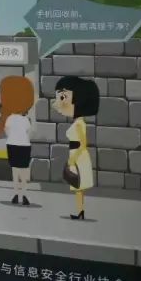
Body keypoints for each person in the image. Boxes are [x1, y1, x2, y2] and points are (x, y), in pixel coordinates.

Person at [51, 75, 100, 220]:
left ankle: (80, 212)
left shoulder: (79, 124)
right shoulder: (78, 122)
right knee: (78, 188)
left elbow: (82, 143)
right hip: (77, 155)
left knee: (78, 187)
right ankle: (80, 212)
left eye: (63, 97)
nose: (59, 103)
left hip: (78, 156)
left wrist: (72, 160)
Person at [0, 75, 35, 206]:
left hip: (12, 145)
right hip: (24, 146)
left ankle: (15, 195)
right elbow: (29, 133)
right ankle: (24, 195)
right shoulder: (26, 120)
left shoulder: (9, 119)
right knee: (24, 172)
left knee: (15, 171)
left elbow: (7, 131)